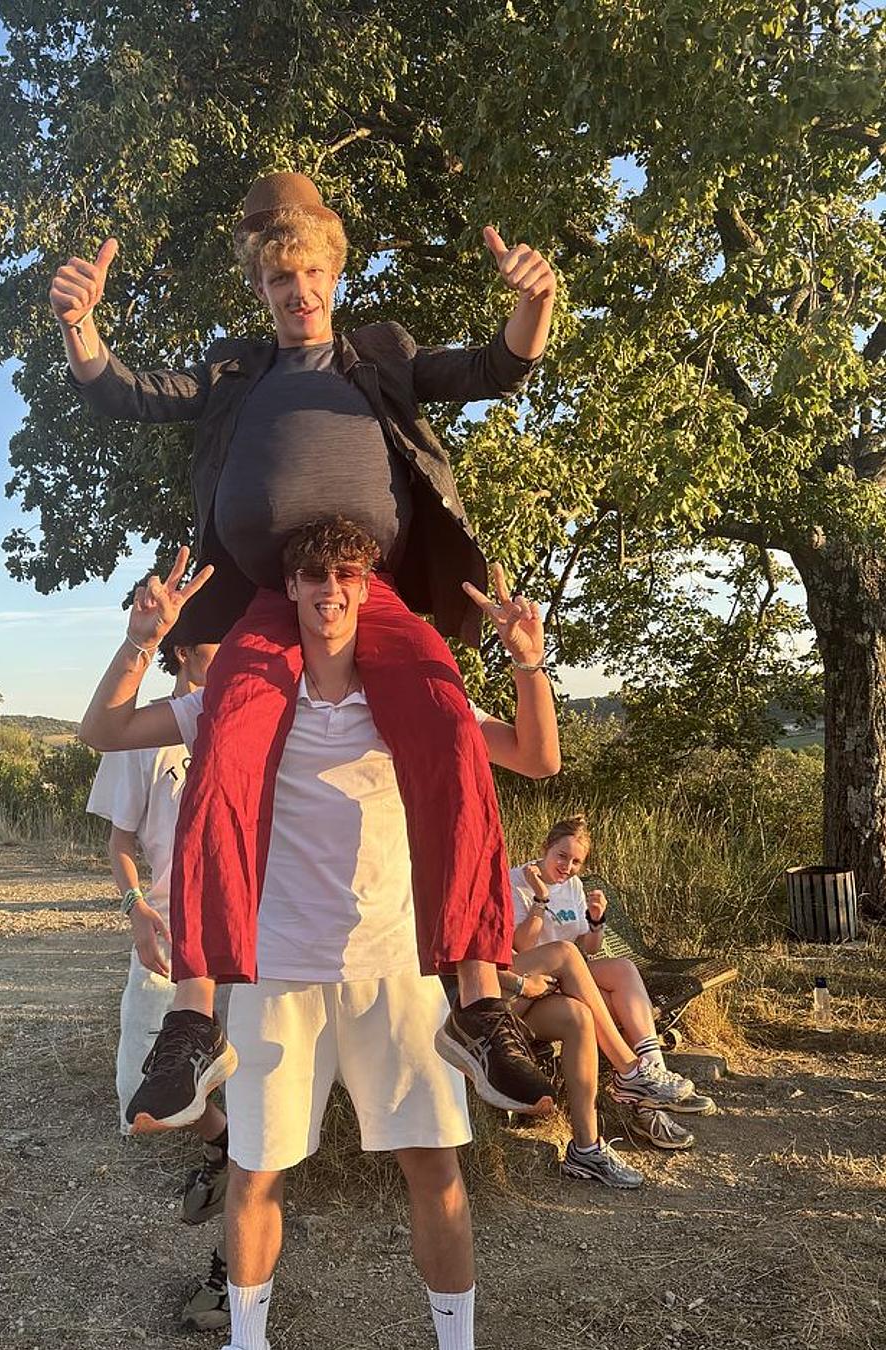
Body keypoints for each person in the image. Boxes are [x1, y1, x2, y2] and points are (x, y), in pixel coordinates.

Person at [51, 170, 557, 1119]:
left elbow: (493, 369)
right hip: (270, 603)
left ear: (334, 273)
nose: (299, 290)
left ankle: (479, 1004)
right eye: (281, 277)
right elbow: (129, 393)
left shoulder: (382, 358)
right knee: (224, 753)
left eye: (313, 272)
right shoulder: (234, 374)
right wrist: (82, 328)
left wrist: (535, 303)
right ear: (261, 286)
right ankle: (194, 1019)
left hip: (375, 597)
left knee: (450, 732)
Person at [80, 516, 563, 1350]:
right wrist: (140, 641)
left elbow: (534, 756)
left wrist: (528, 662)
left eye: (347, 575)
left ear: (368, 588)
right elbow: (107, 732)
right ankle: (248, 1341)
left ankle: (456, 1343)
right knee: (255, 1172)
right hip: (278, 970)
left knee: (436, 1169)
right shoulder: (241, 697)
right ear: (291, 590)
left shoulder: (418, 695)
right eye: (313, 576)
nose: (329, 590)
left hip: (395, 966)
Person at [85, 635, 230, 1331]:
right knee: (139, 1093)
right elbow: (119, 842)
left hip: (254, 935)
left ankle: (231, 1274)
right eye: (213, 638)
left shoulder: (252, 714)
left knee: (264, 1104)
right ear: (182, 651)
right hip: (171, 932)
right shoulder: (145, 734)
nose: (228, 646)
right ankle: (222, 1143)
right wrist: (135, 907)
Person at [509, 815, 716, 1153]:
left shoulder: (573, 886)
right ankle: (644, 1097)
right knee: (596, 999)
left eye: (576, 862)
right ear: (545, 848)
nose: (568, 867)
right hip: (535, 984)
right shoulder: (517, 881)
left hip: (567, 977)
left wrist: (596, 921)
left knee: (622, 969)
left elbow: (589, 948)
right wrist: (540, 899)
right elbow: (523, 946)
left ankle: (649, 1083)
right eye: (562, 856)